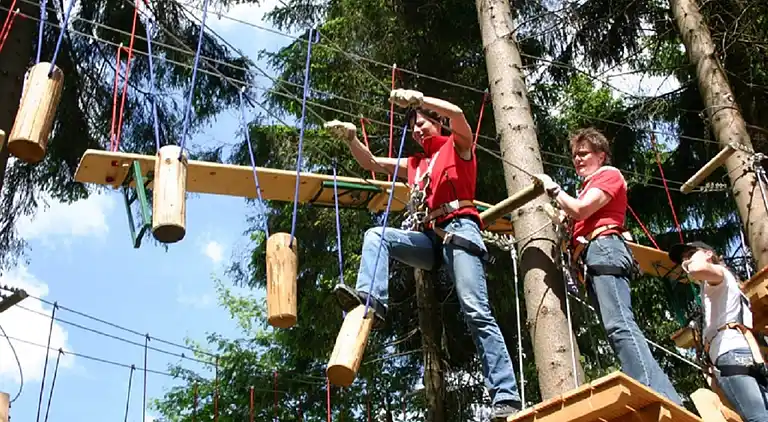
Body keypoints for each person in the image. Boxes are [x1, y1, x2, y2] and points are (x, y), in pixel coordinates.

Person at [324, 88, 522, 419]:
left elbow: (457, 113)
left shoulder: (458, 147)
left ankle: (506, 394)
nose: (417, 130)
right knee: (378, 236)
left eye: (422, 123)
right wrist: (351, 138)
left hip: (460, 229)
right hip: (430, 238)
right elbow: (372, 163)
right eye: (413, 126)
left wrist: (420, 99)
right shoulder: (415, 164)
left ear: (437, 122)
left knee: (475, 309)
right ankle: (372, 299)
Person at [533, 127, 683, 405]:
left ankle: (652, 391)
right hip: (593, 255)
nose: (577, 159)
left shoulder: (609, 175)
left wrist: (552, 188)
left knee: (620, 325)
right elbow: (576, 217)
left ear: (601, 156)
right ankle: (661, 393)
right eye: (574, 155)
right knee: (616, 327)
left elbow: (580, 210)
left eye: (584, 154)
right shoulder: (587, 187)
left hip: (604, 248)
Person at [669, 241, 768, 422]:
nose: (686, 261)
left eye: (690, 254)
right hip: (744, 353)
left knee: (758, 418)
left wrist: (690, 265)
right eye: (683, 259)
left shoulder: (719, 276)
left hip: (729, 352)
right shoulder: (727, 286)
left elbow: (699, 269)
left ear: (708, 254)